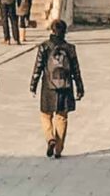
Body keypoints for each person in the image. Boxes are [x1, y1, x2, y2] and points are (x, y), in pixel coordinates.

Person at [30, 19, 84, 158]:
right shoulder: (70, 48)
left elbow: (38, 67)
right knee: (62, 117)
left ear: (52, 31)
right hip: (65, 87)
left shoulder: (44, 47)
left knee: (45, 114)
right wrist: (79, 87)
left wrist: (33, 85)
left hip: (49, 86)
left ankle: (50, 139)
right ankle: (58, 149)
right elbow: (76, 70)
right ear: (64, 32)